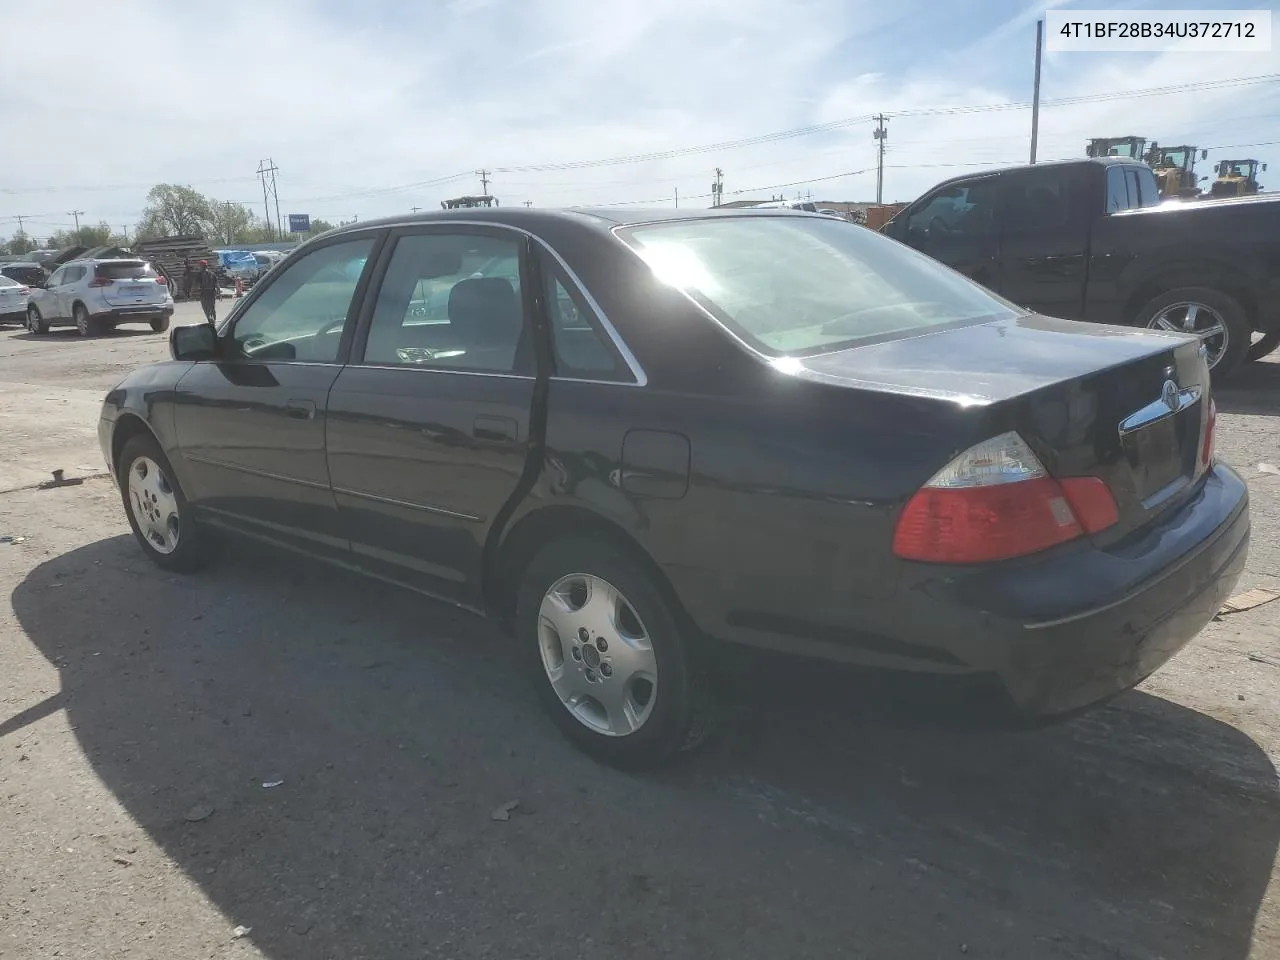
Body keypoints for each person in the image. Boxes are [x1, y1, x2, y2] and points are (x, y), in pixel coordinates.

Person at [195, 259, 220, 324]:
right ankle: (213, 321)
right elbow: (216, 284)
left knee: (205, 308)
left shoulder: (199, 274)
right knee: (212, 307)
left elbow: (197, 286)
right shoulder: (212, 274)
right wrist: (219, 293)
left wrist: (196, 293)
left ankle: (210, 319)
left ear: (201, 266)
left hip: (204, 293)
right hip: (212, 293)